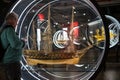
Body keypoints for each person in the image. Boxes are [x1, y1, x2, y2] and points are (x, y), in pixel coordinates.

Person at [0, 12, 25, 80]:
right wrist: (23, 42)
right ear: (12, 20)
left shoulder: (3, 29)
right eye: (16, 21)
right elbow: (15, 45)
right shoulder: (9, 30)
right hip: (12, 63)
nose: (17, 23)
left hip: (7, 62)